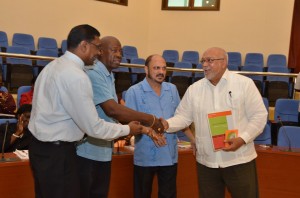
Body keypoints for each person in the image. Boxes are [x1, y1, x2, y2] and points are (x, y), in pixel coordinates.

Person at [28, 24, 147, 198]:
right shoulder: (77, 76)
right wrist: (128, 129)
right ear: (84, 46)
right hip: (58, 154)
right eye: (97, 47)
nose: (99, 53)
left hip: (40, 149)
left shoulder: (53, 66)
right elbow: (94, 127)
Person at [164, 47, 268, 198]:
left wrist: (242, 139)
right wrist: (165, 125)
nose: (205, 65)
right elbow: (182, 117)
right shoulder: (194, 89)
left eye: (210, 61)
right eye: (203, 61)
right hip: (207, 163)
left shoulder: (244, 84)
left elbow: (259, 116)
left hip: (239, 159)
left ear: (224, 62)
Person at [76, 36, 165, 198]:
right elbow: (113, 110)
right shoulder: (94, 73)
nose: (119, 55)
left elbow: (114, 116)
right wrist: (150, 120)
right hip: (88, 152)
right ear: (100, 51)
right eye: (114, 50)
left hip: (102, 150)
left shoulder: (109, 75)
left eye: (121, 52)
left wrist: (144, 129)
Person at [125, 54, 195, 198]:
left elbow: (180, 119)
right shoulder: (134, 91)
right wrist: (151, 132)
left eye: (163, 68)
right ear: (146, 69)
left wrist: (193, 139)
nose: (161, 72)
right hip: (145, 157)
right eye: (156, 68)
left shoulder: (172, 89)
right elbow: (132, 124)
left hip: (169, 155)